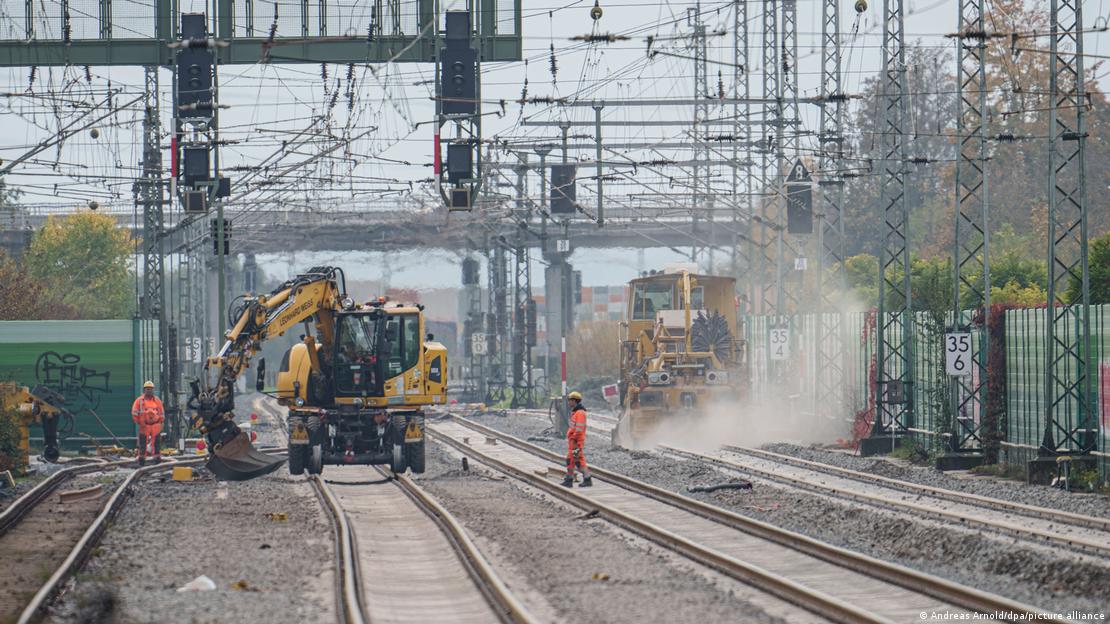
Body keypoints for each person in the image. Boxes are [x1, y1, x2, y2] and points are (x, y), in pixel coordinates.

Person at [561, 391, 593, 487]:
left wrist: (574, 437)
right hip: (574, 441)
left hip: (576, 442)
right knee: (575, 460)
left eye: (570, 400)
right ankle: (584, 479)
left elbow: (579, 429)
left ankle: (571, 480)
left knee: (573, 460)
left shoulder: (580, 413)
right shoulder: (576, 412)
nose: (568, 402)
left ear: (574, 401)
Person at [132, 381, 165, 465]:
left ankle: (157, 458)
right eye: (147, 389)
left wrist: (161, 421)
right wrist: (138, 421)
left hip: (155, 425)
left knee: (157, 443)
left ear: (153, 390)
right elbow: (134, 412)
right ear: (144, 390)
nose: (149, 391)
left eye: (150, 389)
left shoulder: (157, 401)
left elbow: (161, 412)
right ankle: (142, 459)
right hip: (144, 425)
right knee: (143, 443)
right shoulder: (139, 401)